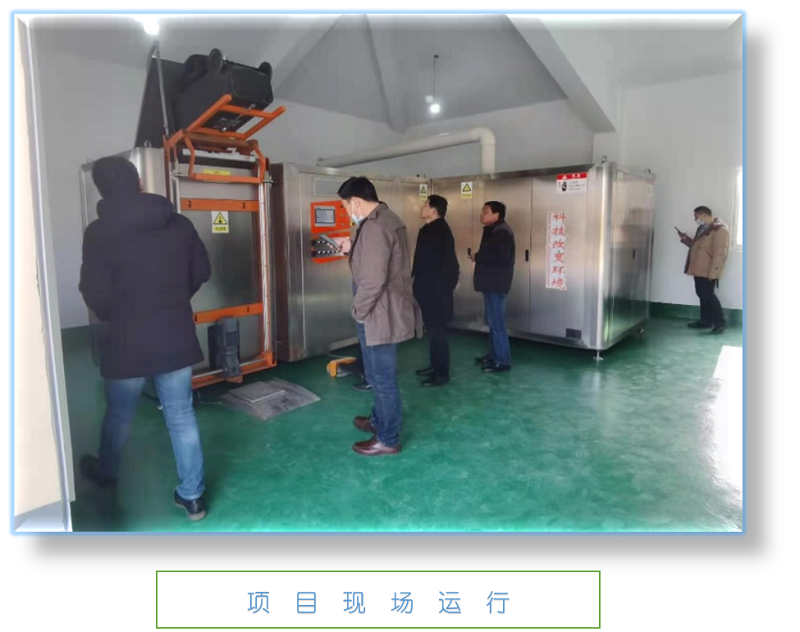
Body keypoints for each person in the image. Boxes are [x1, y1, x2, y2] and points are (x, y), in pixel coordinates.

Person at [78, 155, 212, 521]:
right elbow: (202, 270)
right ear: (138, 182)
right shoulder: (179, 224)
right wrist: (174, 300)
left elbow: (94, 291)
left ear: (101, 190)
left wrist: (117, 316)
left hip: (126, 341)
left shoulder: (98, 233)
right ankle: (193, 497)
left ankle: (106, 477)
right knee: (181, 415)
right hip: (174, 334)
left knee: (119, 415)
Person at [339, 177, 416, 456]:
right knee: (375, 374)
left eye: (345, 206)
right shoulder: (385, 218)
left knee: (382, 379)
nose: (347, 211)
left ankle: (388, 438)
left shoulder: (375, 227)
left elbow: (373, 281)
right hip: (382, 309)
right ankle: (379, 420)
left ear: (356, 201)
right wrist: (352, 248)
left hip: (377, 313)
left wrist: (358, 312)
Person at [411, 194, 459, 387]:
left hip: (437, 292)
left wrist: (444, 288)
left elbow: (450, 264)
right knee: (432, 330)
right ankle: (434, 365)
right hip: (427, 289)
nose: (422, 207)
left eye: (425, 205)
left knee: (438, 332)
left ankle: (441, 373)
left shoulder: (440, 231)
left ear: (433, 210)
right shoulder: (428, 229)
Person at [473, 201, 515, 373]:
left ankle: (502, 360)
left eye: (485, 211)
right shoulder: (493, 230)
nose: (482, 214)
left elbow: (501, 257)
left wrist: (478, 256)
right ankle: (493, 354)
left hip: (496, 284)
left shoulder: (502, 232)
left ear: (496, 215)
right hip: (491, 283)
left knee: (497, 323)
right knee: (492, 322)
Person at [676, 205, 730, 334]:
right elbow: (697, 246)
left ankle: (721, 323)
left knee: (709, 295)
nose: (695, 219)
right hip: (698, 268)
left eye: (696, 216)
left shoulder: (719, 230)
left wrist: (714, 272)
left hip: (708, 270)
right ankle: (706, 321)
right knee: (702, 294)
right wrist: (685, 239)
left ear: (704, 215)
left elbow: (720, 253)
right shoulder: (702, 228)